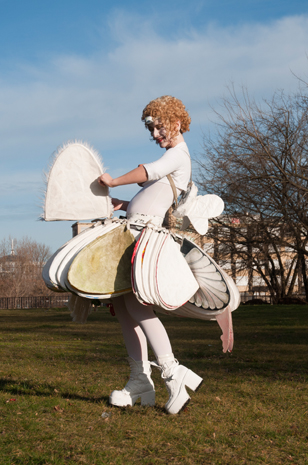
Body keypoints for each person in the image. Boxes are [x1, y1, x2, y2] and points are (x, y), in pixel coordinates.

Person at [97, 96, 201, 414]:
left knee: (139, 309)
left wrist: (114, 180)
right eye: (151, 130)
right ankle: (140, 381)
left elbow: (148, 171)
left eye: (158, 127)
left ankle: (172, 374)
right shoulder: (173, 158)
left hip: (145, 243)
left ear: (176, 122)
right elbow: (149, 199)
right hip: (133, 237)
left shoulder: (178, 156)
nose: (155, 135)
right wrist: (123, 204)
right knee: (125, 308)